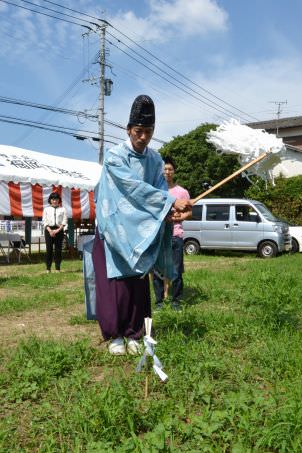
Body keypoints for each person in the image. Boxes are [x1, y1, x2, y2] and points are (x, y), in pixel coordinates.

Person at [93, 94, 192, 355]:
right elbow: (132, 187)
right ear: (129, 130)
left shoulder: (156, 159)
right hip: (113, 227)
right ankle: (114, 335)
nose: (143, 137)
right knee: (116, 284)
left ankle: (135, 332)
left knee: (137, 283)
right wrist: (169, 203)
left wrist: (169, 213)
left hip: (140, 230)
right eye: (138, 131)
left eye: (148, 132)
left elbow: (159, 189)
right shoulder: (115, 156)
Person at [153, 156, 191, 310]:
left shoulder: (181, 192)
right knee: (157, 272)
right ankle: (159, 302)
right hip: (159, 236)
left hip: (175, 235)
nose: (167, 172)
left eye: (170, 169)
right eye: (165, 169)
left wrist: (179, 216)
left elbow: (189, 212)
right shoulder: (155, 191)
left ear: (174, 172)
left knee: (176, 270)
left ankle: (176, 301)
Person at [42, 191, 67, 273]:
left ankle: (57, 268)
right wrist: (50, 230)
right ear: (50, 200)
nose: (55, 201)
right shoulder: (46, 209)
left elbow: (64, 221)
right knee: (49, 249)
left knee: (58, 250)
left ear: (59, 200)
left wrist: (57, 230)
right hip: (48, 230)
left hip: (59, 230)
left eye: (56, 199)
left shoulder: (63, 209)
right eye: (53, 199)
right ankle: (48, 268)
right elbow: (44, 221)